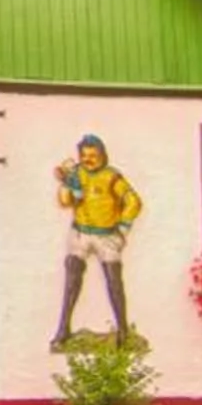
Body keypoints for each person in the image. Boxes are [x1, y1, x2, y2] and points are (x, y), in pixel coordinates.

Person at [51, 135, 141, 349]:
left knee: (114, 280)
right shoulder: (77, 174)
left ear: (102, 155)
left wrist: (123, 226)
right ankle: (63, 327)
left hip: (106, 233)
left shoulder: (111, 177)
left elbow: (133, 201)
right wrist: (66, 183)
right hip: (81, 231)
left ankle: (122, 329)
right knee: (72, 273)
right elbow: (65, 202)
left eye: (93, 155)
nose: (88, 160)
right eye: (84, 156)